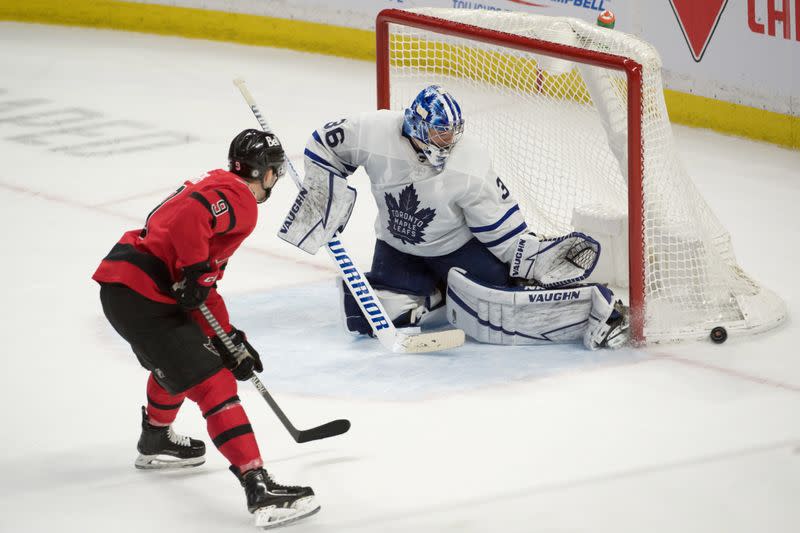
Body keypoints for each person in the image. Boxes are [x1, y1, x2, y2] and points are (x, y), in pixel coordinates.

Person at [278, 85, 628, 349]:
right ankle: (437, 295)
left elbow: (501, 228)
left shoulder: (469, 163)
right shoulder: (374, 131)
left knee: (497, 304)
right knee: (366, 315)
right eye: (439, 133)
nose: (448, 141)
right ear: (416, 126)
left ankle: (582, 302)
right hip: (397, 247)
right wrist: (323, 193)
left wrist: (530, 258)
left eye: (452, 132)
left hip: (458, 250)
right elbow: (324, 143)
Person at [92, 129, 320, 528]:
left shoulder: (217, 181)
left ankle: (156, 438)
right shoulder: (240, 200)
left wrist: (229, 339)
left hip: (130, 289)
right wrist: (196, 270)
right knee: (214, 383)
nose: (276, 179)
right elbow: (190, 219)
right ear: (264, 172)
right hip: (144, 296)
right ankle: (259, 487)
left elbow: (203, 286)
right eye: (275, 172)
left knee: (182, 361)